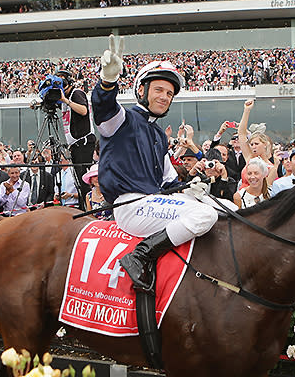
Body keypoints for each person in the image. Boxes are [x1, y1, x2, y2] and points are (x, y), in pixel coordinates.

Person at [91, 35, 222, 291]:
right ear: (142, 90)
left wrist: (190, 186)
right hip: (130, 206)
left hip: (153, 203)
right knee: (205, 214)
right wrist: (107, 82)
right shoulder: (122, 120)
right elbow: (104, 108)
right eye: (159, 90)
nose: (165, 97)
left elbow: (168, 180)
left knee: (223, 206)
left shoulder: (159, 135)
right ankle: (140, 255)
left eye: (169, 93)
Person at [57, 69, 95, 209]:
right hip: (75, 144)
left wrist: (65, 100)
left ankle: (89, 208)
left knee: (84, 180)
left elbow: (83, 110)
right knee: (79, 180)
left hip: (83, 142)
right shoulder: (62, 99)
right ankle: (84, 206)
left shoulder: (76, 93)